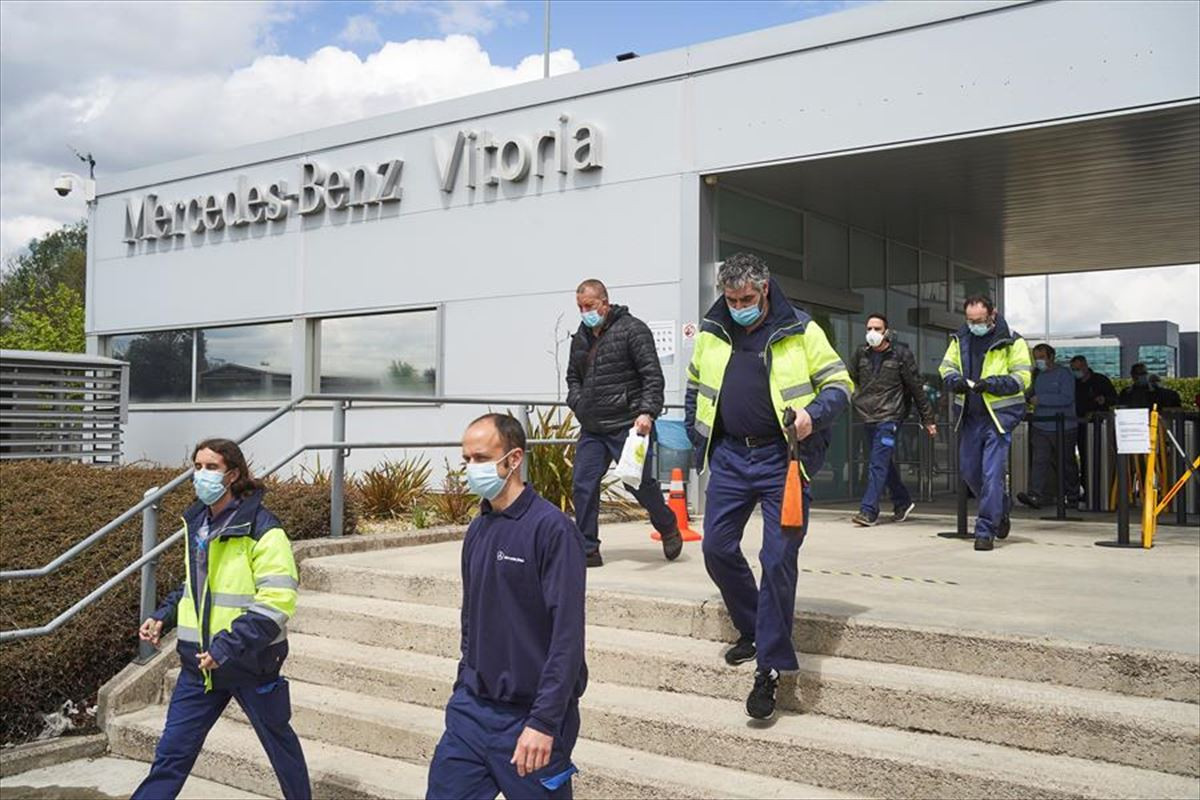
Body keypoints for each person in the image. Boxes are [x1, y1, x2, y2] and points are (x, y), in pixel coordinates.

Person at [684, 252, 853, 720]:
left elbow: (840, 385)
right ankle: (754, 627)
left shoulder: (801, 329)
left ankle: (771, 670)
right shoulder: (713, 331)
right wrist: (696, 434)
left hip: (783, 460)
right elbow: (696, 386)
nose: (739, 305)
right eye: (731, 297)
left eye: (747, 298)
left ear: (765, 289)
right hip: (732, 457)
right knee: (716, 548)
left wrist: (810, 417)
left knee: (777, 558)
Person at [134, 439, 309, 800]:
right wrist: (163, 616)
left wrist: (227, 645)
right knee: (171, 753)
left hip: (251, 662)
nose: (201, 475)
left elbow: (276, 601)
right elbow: (196, 586)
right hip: (199, 665)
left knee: (281, 749)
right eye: (197, 466)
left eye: (211, 467)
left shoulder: (263, 528)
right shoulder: (197, 521)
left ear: (233, 474)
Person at [426, 414, 587, 800]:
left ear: (513, 459)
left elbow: (567, 637)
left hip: (529, 720)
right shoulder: (478, 529)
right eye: (466, 459)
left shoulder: (552, 530)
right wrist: (462, 687)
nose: (471, 469)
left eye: (480, 458)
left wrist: (544, 722)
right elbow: (471, 622)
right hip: (470, 714)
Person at [566, 278, 682, 568]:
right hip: (593, 427)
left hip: (629, 425)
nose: (584, 312)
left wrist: (647, 412)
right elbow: (573, 378)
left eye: (589, 306)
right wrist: (579, 404)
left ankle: (667, 525)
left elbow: (652, 376)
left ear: (604, 303)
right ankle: (588, 549)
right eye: (580, 307)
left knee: (638, 485)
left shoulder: (633, 330)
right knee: (583, 485)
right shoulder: (580, 337)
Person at [938, 296, 1032, 552]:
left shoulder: (1013, 340)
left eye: (979, 320)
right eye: (969, 320)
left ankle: (985, 530)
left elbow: (1023, 378)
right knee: (969, 472)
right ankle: (1000, 508)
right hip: (969, 416)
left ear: (993, 314)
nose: (974, 325)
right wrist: (954, 380)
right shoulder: (960, 338)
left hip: (998, 419)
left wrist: (990, 384)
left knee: (992, 476)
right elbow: (945, 368)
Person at [847, 313, 937, 526]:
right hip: (867, 415)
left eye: (877, 329)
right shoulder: (861, 354)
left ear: (886, 332)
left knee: (877, 463)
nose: (872, 333)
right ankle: (902, 500)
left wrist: (928, 419)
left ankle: (868, 511)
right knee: (884, 462)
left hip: (890, 417)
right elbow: (852, 379)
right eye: (869, 328)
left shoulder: (900, 355)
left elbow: (916, 387)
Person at [1017, 344, 1079, 510]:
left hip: (1064, 427)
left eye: (1042, 357)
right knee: (1039, 461)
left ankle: (1072, 496)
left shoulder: (1064, 374)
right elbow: (1028, 394)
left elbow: (1067, 398)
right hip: (1041, 426)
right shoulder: (1036, 375)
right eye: (1036, 357)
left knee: (1066, 463)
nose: (1039, 361)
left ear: (1051, 357)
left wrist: (1041, 399)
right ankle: (1036, 495)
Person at [1070, 355, 1117, 505]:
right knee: (1078, 458)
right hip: (1076, 424)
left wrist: (1104, 400)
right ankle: (1081, 490)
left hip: (1098, 427)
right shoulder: (1072, 383)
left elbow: (1115, 398)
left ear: (1085, 366)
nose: (1076, 372)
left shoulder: (1100, 381)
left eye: (1078, 369)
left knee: (1096, 457)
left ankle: (1098, 491)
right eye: (1073, 369)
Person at [1118, 363, 1183, 409]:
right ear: (1133, 375)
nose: (1142, 376)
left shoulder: (1158, 393)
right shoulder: (1126, 393)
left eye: (1144, 373)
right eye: (1139, 374)